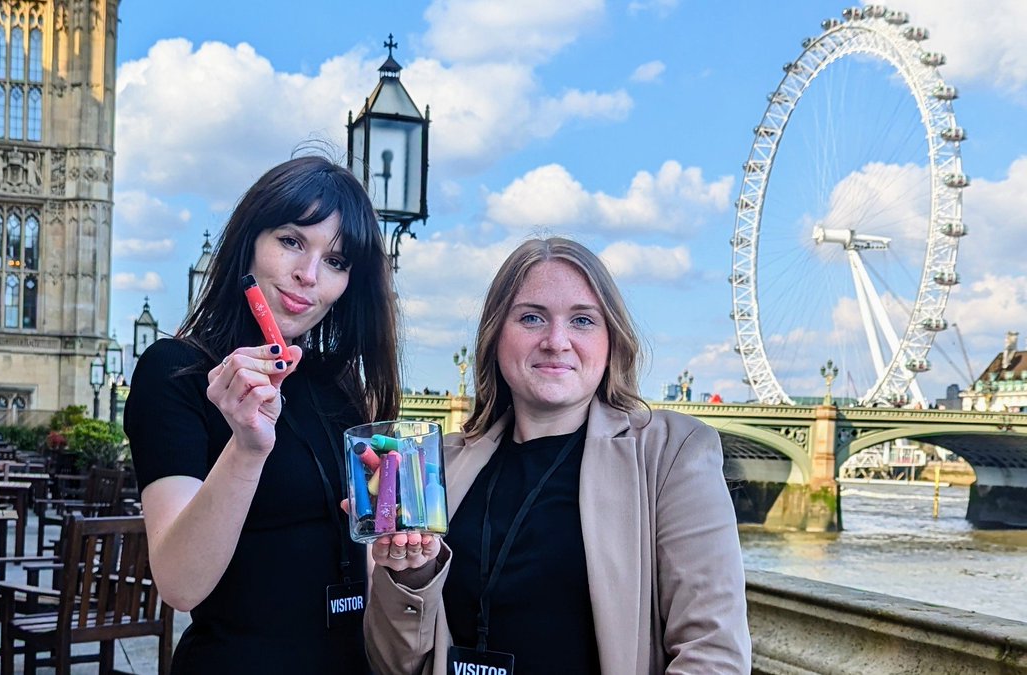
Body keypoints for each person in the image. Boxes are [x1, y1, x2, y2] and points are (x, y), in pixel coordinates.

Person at [364, 237, 750, 674]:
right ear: (496, 335)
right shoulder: (440, 467)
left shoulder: (670, 454)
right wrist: (408, 578)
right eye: (532, 318)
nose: (556, 341)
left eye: (582, 320)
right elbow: (392, 665)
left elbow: (713, 652)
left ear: (611, 341)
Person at [124, 155, 400, 674]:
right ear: (250, 241)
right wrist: (247, 448)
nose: (309, 275)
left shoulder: (336, 385)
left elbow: (366, 556)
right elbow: (181, 584)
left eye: (337, 262)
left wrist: (403, 548)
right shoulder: (176, 372)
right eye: (293, 240)